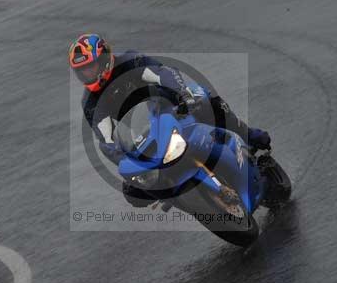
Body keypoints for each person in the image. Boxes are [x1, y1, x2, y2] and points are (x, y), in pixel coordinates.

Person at [69, 33, 271, 206]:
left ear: (104, 57)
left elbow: (162, 73)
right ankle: (174, 196)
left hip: (167, 106)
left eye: (90, 67)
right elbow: (106, 139)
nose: (87, 75)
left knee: (205, 98)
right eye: (82, 72)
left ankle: (247, 134)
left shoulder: (130, 61)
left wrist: (182, 94)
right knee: (132, 192)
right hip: (140, 136)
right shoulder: (91, 102)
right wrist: (121, 159)